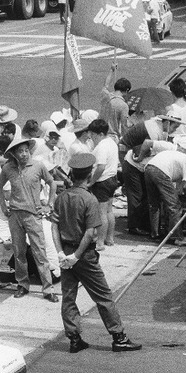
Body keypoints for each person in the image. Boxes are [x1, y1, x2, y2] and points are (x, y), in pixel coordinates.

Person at [50, 152, 142, 354]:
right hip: (84, 255)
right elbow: (90, 232)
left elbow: (54, 227)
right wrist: (77, 256)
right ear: (89, 174)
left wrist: (60, 253)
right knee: (103, 296)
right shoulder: (89, 199)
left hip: (65, 251)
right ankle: (119, 337)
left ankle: (74, 338)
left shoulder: (62, 197)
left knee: (68, 296)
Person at [0, 134, 59, 302]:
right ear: (14, 154)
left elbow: (52, 182)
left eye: (26, 151)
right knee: (19, 252)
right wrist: (3, 204)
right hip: (15, 214)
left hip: (33, 215)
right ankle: (22, 285)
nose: (24, 154)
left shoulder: (38, 166)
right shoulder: (8, 168)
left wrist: (50, 204)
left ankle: (48, 289)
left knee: (40, 251)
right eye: (20, 152)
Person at [119, 113, 182, 236]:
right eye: (174, 127)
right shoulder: (154, 131)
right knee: (136, 196)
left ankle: (142, 224)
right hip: (133, 165)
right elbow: (147, 143)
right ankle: (134, 226)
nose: (174, 130)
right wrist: (141, 157)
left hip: (140, 165)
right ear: (168, 123)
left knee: (144, 196)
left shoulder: (157, 126)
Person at [141, 136, 186, 245]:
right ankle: (177, 237)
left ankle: (155, 233)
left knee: (154, 204)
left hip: (149, 168)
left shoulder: (175, 154)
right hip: (161, 171)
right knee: (175, 206)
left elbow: (185, 184)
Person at [87, 119, 120, 250]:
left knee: (101, 213)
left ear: (100, 134)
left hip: (102, 180)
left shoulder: (101, 146)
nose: (92, 138)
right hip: (112, 178)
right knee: (109, 211)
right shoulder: (112, 142)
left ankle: (100, 242)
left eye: (93, 135)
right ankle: (109, 238)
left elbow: (100, 167)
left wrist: (91, 182)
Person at [99, 66, 131, 140]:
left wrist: (111, 70)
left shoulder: (105, 95)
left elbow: (105, 85)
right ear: (127, 90)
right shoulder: (123, 105)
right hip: (112, 137)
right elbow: (124, 126)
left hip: (99, 134)